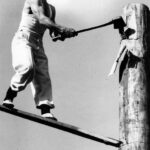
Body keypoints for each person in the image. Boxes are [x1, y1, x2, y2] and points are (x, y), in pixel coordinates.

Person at [2, 0, 77, 121]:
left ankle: (45, 109)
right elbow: (42, 19)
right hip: (24, 38)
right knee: (27, 67)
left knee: (43, 75)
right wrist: (63, 28)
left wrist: (63, 34)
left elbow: (53, 33)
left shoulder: (52, 9)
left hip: (38, 42)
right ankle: (10, 95)